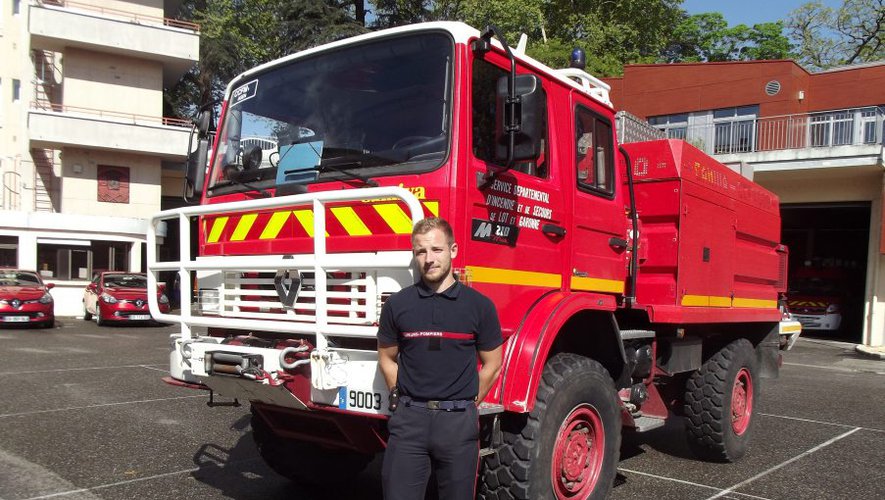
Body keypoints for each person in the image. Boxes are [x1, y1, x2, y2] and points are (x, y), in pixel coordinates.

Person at [378, 217, 503, 500]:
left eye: (436, 250)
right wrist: (399, 395)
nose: (429, 259)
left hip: (457, 424)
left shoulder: (479, 306)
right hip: (409, 422)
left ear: (453, 250)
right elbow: (386, 358)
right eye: (421, 251)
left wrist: (469, 402)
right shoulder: (397, 305)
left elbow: (493, 364)